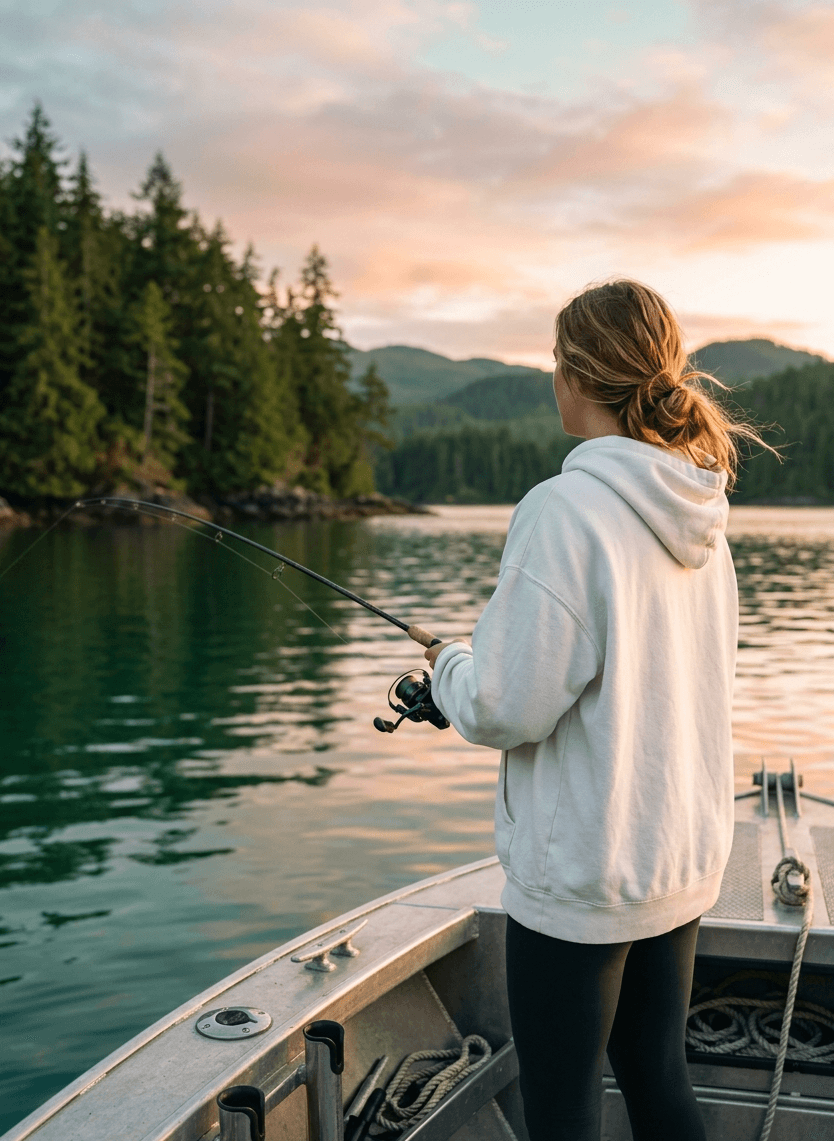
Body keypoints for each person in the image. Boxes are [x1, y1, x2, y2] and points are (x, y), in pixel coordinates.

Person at [423, 280, 770, 1141]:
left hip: (584, 876)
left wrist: (445, 668)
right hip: (677, 866)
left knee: (565, 1110)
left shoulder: (564, 510)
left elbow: (505, 706)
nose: (551, 380)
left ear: (581, 373)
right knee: (658, 1079)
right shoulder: (705, 516)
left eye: (555, 362)